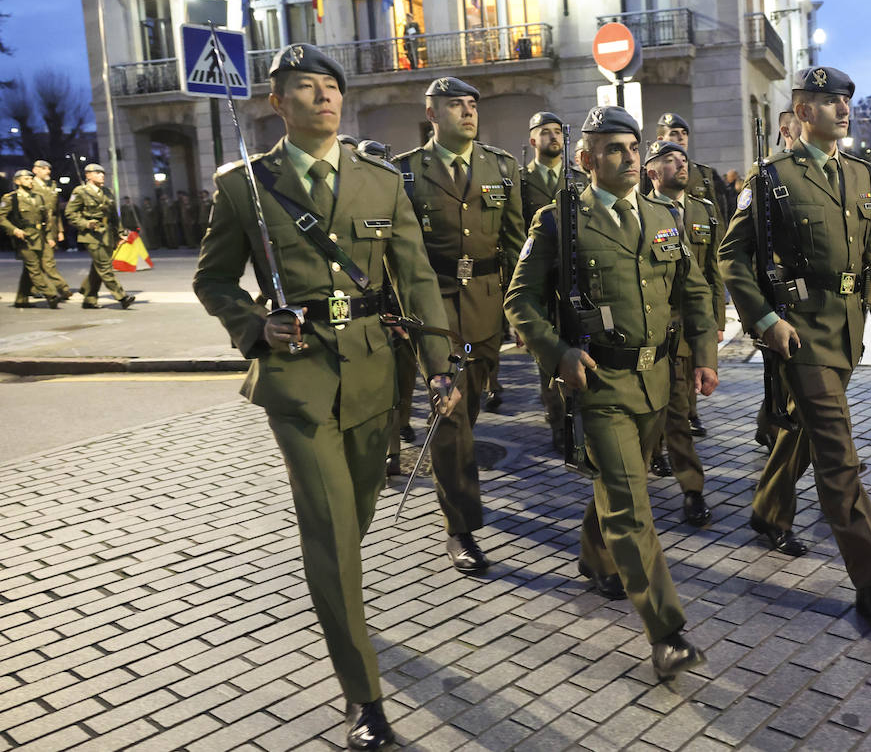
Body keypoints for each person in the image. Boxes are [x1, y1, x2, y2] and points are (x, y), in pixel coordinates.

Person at [194, 43, 460, 749]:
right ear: (276, 104)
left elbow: (417, 278)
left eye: (331, 86)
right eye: (305, 89)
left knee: (358, 513)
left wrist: (439, 364)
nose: (323, 97)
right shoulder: (243, 185)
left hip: (375, 372)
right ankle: (364, 699)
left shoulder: (380, 179)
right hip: (300, 377)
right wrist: (256, 323)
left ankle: (333, 587)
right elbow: (213, 281)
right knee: (334, 535)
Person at [504, 104, 719, 680]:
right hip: (598, 382)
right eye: (613, 149)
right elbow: (519, 301)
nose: (628, 158)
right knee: (631, 501)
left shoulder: (663, 215)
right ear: (585, 158)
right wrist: (558, 352)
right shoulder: (558, 221)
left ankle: (593, 556)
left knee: (619, 484)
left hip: (656, 381)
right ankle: (667, 632)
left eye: (632, 147)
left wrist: (703, 355)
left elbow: (693, 290)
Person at [719, 65, 871, 623]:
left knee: (802, 430)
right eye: (831, 101)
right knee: (838, 453)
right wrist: (765, 319)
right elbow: (731, 255)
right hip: (800, 331)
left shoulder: (857, 173)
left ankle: (767, 509)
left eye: (847, 99)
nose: (844, 109)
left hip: (845, 330)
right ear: (803, 112)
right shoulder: (771, 177)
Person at [392, 76, 524, 574]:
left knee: (466, 416)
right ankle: (460, 527)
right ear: (432, 114)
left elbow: (515, 244)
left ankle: (457, 488)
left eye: (472, 105)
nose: (468, 113)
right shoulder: (404, 172)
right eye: (455, 106)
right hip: (436, 310)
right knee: (449, 413)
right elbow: (395, 257)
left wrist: (516, 311)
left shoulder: (500, 166)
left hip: (487, 307)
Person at [643, 137, 726, 525]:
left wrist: (715, 325)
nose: (681, 165)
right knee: (656, 413)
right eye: (670, 160)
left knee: (680, 412)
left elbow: (711, 275)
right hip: (651, 329)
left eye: (683, 159)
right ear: (652, 171)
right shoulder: (640, 213)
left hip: (688, 325)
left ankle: (692, 489)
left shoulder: (704, 211)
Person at [517, 111, 587, 455]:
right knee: (546, 354)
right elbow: (515, 236)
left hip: (574, 278)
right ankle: (558, 420)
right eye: (546, 132)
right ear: (533, 140)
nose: (553, 137)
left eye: (558, 131)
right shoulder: (519, 181)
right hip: (539, 280)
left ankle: (579, 414)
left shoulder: (578, 179)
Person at [652, 112, 722, 437]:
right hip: (663, 308)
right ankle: (670, 432)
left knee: (695, 363)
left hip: (697, 305)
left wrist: (718, 321)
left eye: (682, 134)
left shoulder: (705, 185)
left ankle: (688, 415)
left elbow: (714, 267)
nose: (678, 140)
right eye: (670, 135)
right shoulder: (648, 200)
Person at [65, 164, 135, 309]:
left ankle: (89, 298)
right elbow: (70, 213)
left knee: (98, 267)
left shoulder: (107, 192)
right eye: (97, 173)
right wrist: (85, 223)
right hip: (91, 234)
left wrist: (120, 233)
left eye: (102, 173)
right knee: (104, 266)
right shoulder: (80, 192)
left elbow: (114, 216)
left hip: (107, 234)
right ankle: (122, 296)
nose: (102, 175)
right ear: (88, 175)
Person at [0, 169, 62, 308]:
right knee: (34, 268)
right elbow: (1, 217)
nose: (30, 181)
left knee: (29, 270)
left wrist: (49, 236)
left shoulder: (38, 197)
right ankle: (51, 294)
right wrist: (14, 229)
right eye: (26, 179)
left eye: (31, 179)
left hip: (39, 237)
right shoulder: (11, 198)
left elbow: (46, 219)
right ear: (17, 181)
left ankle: (21, 299)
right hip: (24, 238)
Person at [28, 160, 72, 301]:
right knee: (43, 260)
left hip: (50, 227)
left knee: (43, 259)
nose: (47, 171)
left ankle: (35, 288)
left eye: (48, 169)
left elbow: (55, 212)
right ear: (35, 170)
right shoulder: (29, 185)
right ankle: (60, 288)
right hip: (35, 227)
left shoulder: (52, 185)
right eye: (44, 169)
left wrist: (59, 230)